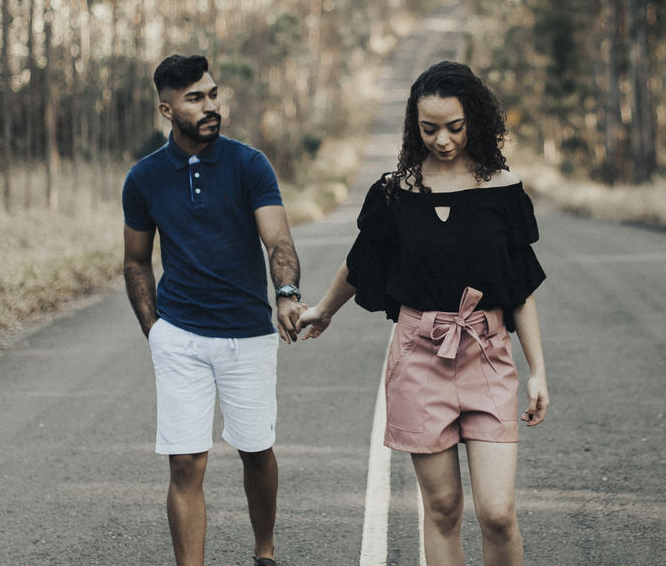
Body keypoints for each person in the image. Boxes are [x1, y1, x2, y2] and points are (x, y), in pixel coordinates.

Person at [298, 60, 549, 566]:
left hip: (486, 352)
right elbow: (362, 261)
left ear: (474, 120)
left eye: (454, 127)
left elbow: (520, 287)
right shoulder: (394, 193)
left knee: (497, 512)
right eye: (428, 128)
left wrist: (538, 371)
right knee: (442, 507)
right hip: (418, 356)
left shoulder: (502, 189)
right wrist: (324, 310)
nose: (442, 139)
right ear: (415, 125)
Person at [122, 54, 305, 566]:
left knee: (256, 451)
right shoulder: (144, 179)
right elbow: (135, 262)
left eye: (212, 94)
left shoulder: (249, 164)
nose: (210, 106)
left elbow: (278, 241)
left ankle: (264, 552)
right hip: (180, 337)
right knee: (185, 463)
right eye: (195, 98)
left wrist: (286, 294)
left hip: (247, 335)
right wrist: (154, 330)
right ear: (166, 109)